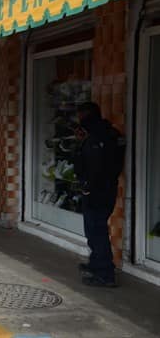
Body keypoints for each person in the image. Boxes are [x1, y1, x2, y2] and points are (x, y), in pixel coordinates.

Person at [74, 102, 124, 287]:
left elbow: (93, 166)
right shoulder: (113, 134)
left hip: (97, 191)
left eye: (80, 115)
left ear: (86, 115)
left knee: (97, 231)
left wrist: (87, 187)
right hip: (107, 189)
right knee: (94, 229)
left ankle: (104, 273)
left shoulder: (96, 137)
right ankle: (96, 265)